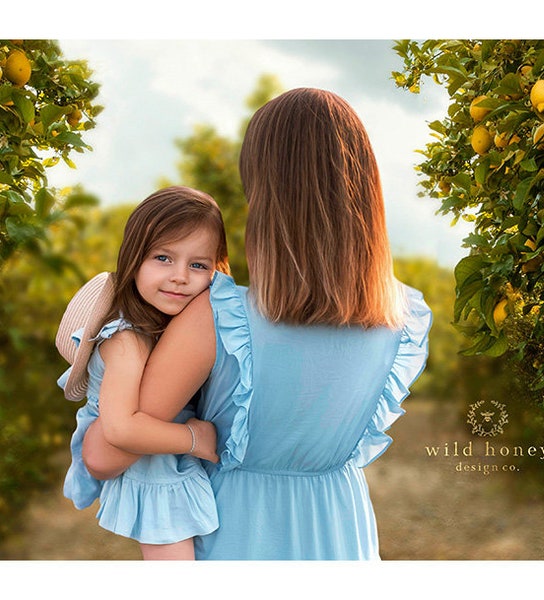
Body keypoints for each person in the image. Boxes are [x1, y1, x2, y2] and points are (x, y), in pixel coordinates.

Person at [84, 88, 433, 560]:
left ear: (266, 192)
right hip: (341, 534)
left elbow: (105, 456)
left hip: (240, 537)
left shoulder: (218, 317)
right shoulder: (404, 319)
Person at [56, 186, 228, 560]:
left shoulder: (164, 326)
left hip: (160, 457)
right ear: (134, 259)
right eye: (163, 258)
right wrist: (194, 438)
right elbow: (120, 430)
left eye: (198, 265)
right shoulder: (127, 340)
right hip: (153, 469)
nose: (180, 276)